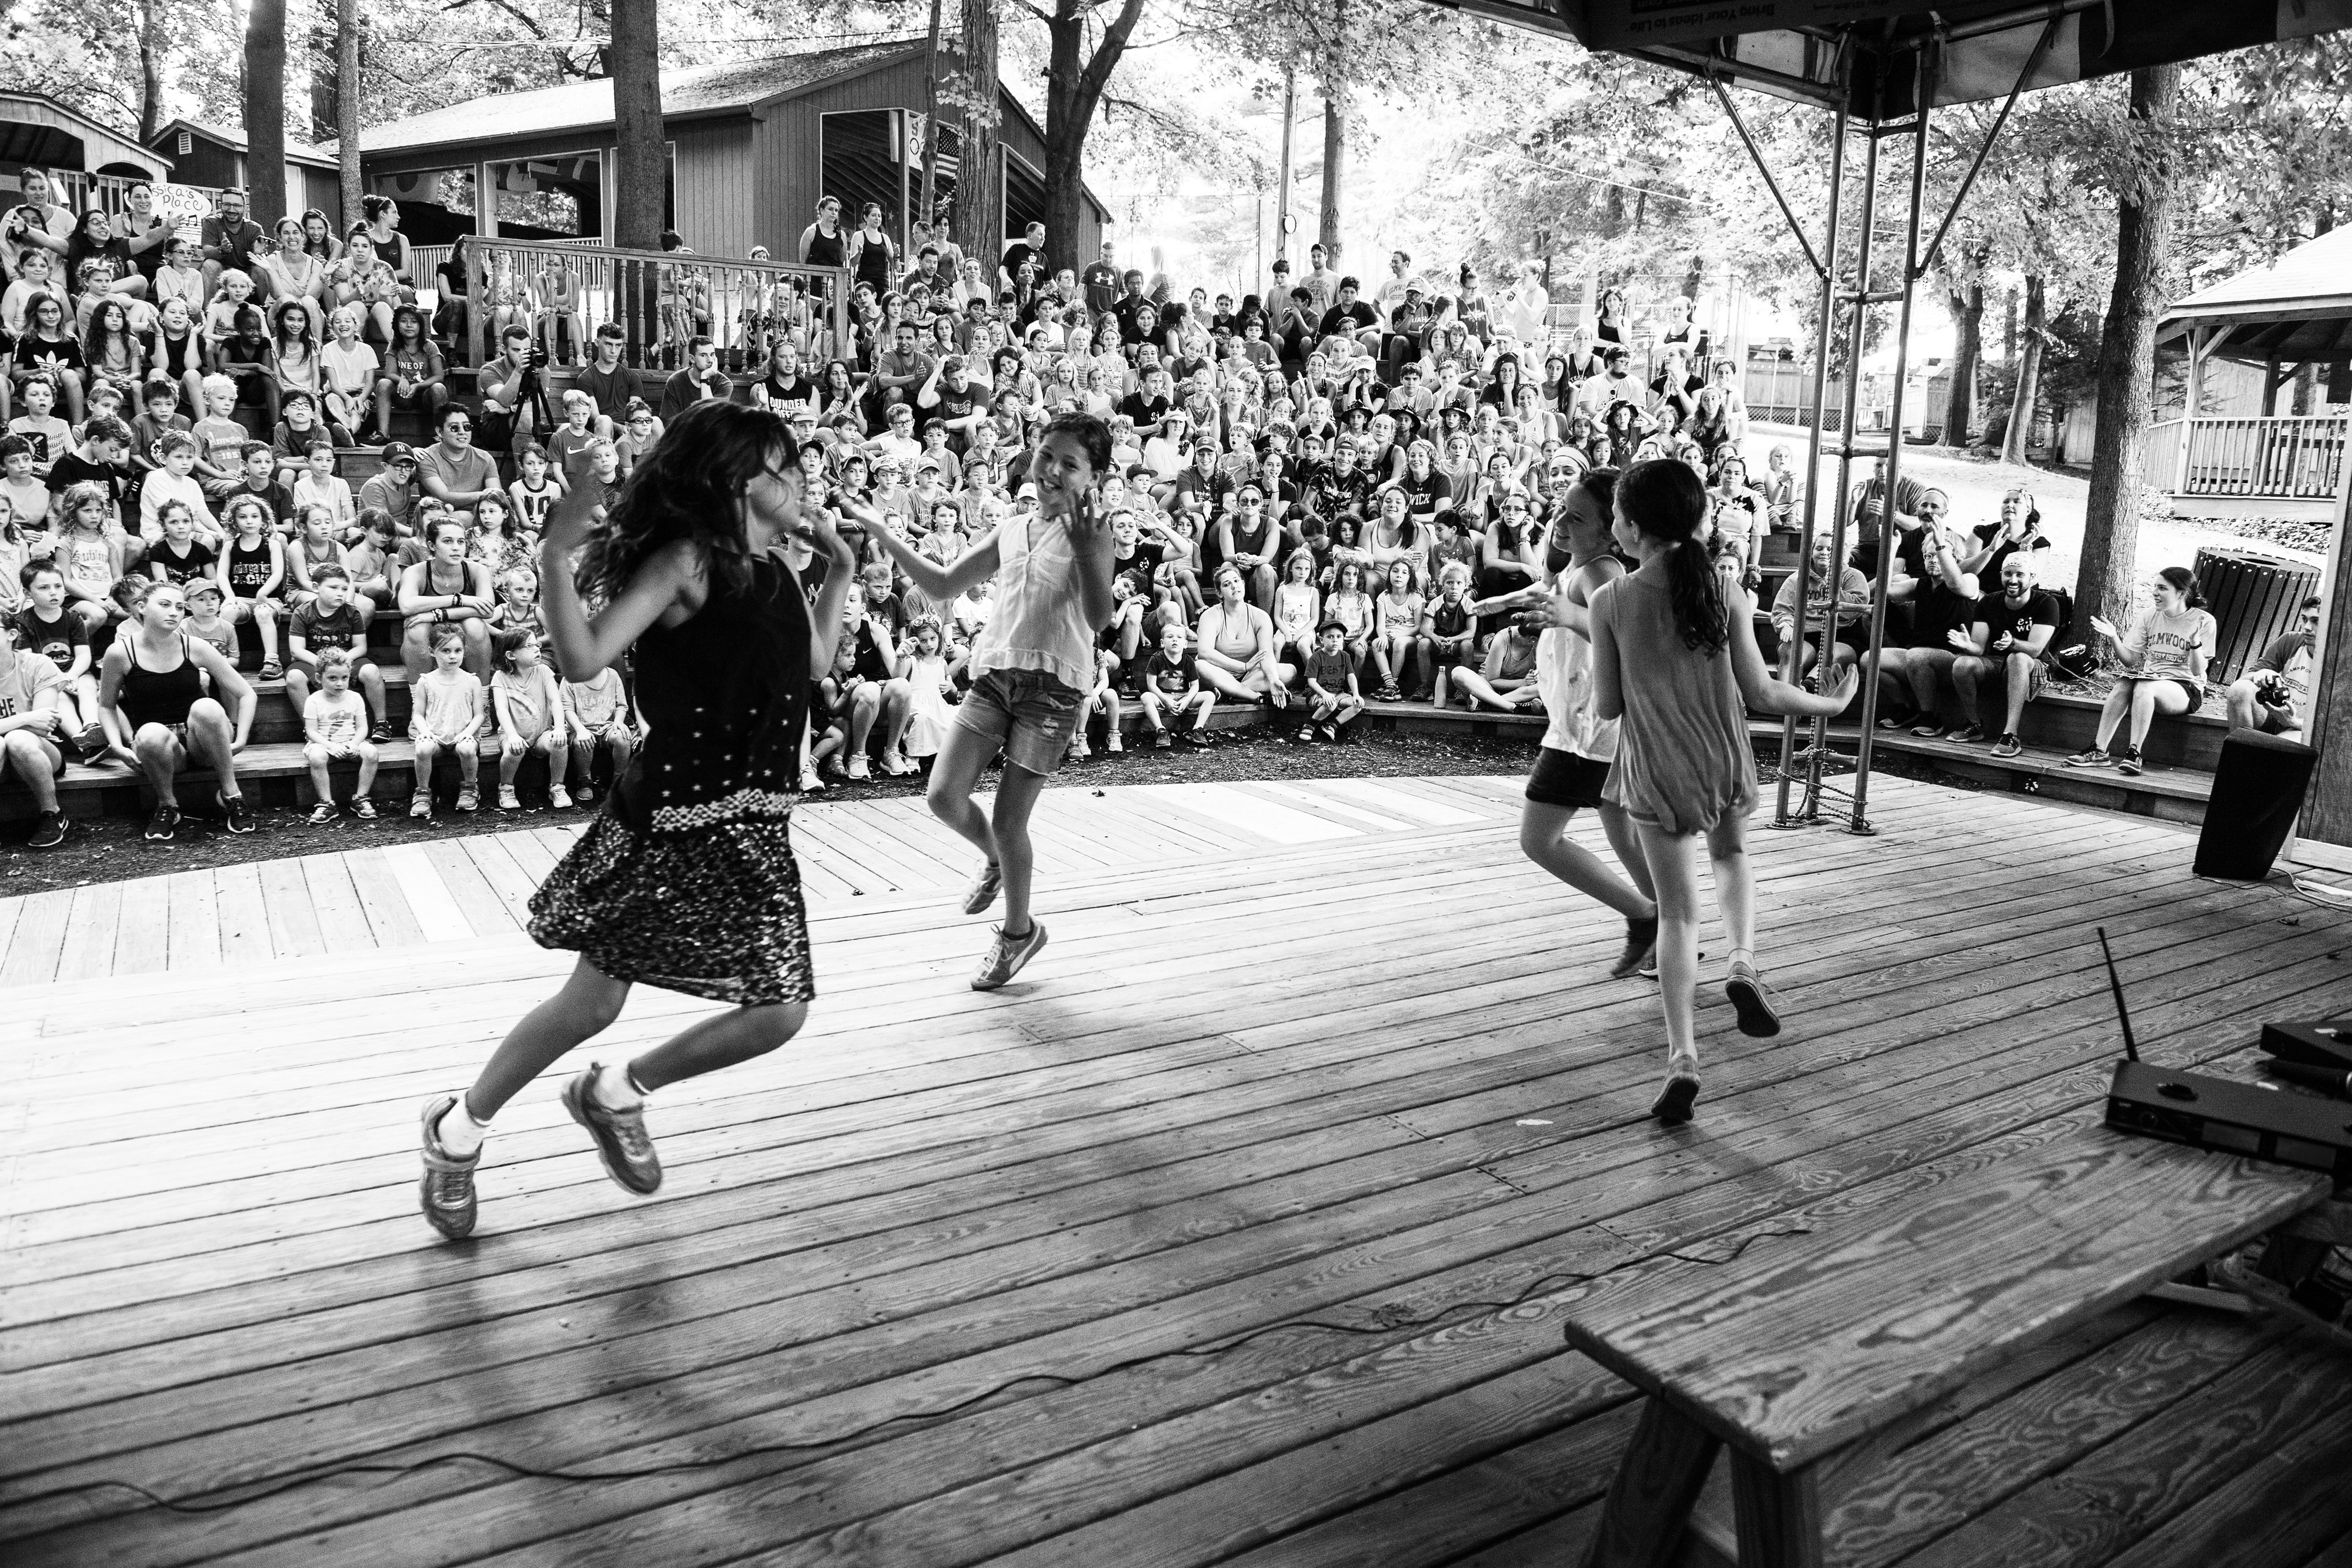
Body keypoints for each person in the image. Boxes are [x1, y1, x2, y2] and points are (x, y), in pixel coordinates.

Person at [417, 400, 858, 1241]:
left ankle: (615, 1090)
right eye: (783, 467)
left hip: (755, 824)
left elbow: (813, 661)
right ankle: (457, 1129)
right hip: (668, 819)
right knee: (591, 1004)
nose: (801, 480)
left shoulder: (778, 570)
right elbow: (582, 656)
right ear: (735, 480)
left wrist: (836, 568)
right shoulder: (688, 560)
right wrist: (555, 551)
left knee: (778, 1010)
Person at [1587, 460, 1855, 1124]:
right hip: (1722, 758)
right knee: (1731, 858)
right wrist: (1832, 704)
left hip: (1655, 770)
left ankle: (1682, 1057)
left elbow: (1610, 706)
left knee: (1678, 917)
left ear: (1630, 525)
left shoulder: (1610, 601)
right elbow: (1762, 693)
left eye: (1618, 513)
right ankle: (1741, 962)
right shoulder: (1725, 588)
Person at [846, 411, 1117, 989]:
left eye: (1070, 465)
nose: (1051, 470)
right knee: (943, 796)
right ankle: (996, 858)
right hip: (995, 676)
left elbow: (1099, 618)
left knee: (1009, 817)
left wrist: (1090, 551)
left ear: (1093, 478)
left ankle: (1018, 935)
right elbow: (944, 585)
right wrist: (887, 534)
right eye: (1047, 455)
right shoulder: (1012, 527)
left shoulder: (1095, 534)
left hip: (1052, 690)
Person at [1473, 467, 1662, 979]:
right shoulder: (1579, 566)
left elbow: (1631, 643)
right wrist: (1500, 602)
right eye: (1560, 508)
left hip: (1584, 732)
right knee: (1621, 830)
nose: (1560, 521)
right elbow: (1549, 592)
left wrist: (1567, 616)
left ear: (1611, 531)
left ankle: (1647, 918)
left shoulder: (1602, 572)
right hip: (1590, 725)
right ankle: (1674, 935)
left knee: (1540, 840)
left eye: (1576, 517)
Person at [95, 579, 259, 841]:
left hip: (203, 741)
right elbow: (106, 706)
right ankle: (167, 806)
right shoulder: (120, 652)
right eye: (165, 605)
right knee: (149, 733)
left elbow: (246, 693)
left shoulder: (194, 646)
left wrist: (241, 739)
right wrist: (117, 746)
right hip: (164, 748)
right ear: (142, 607)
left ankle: (231, 795)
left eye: (180, 607)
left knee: (206, 706)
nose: (174, 612)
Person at [2066, 566, 2219, 777]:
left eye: (2162, 588)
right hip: (2151, 681)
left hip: (2185, 689)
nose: (2155, 592)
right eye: (2155, 587)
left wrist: (2194, 643)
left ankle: (2134, 754)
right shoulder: (2149, 616)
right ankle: (2099, 751)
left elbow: (2197, 670)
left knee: (2145, 687)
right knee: (2124, 683)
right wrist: (2114, 637)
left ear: (2182, 593)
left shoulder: (2204, 621)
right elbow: (2129, 660)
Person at [1948, 553, 2057, 755]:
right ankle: (1974, 724)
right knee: (1962, 664)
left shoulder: (2047, 603)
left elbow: (2035, 649)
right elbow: (1979, 649)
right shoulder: (1989, 602)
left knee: (2017, 657)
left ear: (2032, 578)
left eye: (2020, 575)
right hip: (1997, 662)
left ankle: (2011, 734)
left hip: (2033, 666)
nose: (2013, 580)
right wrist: (1967, 645)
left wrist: (2013, 643)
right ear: (2001, 575)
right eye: (2008, 574)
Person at [407, 622, 485, 816]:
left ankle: (470, 787)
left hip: (464, 736)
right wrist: (425, 732)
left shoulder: (472, 681)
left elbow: (479, 715)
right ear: (432, 651)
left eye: (458, 650)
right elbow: (418, 714)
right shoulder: (425, 681)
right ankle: (423, 792)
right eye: (446, 651)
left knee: (466, 749)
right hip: (436, 737)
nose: (452, 656)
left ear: (464, 651)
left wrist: (468, 733)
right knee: (422, 749)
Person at [489, 626, 570, 810]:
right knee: (513, 750)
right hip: (512, 734)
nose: (537, 650)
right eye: (529, 646)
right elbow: (501, 709)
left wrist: (559, 727)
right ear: (511, 655)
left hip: (542, 733)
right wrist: (512, 735)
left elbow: (556, 701)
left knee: (560, 742)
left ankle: (557, 785)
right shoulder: (501, 678)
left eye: (537, 645)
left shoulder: (543, 671)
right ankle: (506, 786)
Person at [300, 646, 380, 820]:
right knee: (317, 758)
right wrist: (330, 746)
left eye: (344, 678)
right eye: (332, 678)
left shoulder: (355, 698)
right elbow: (311, 731)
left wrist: (354, 743)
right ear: (319, 678)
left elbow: (362, 728)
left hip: (351, 742)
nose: (339, 683)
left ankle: (361, 798)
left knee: (372, 753)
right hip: (324, 745)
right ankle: (327, 803)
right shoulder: (314, 701)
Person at [2228, 594, 2320, 739]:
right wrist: (2262, 673)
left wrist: (2293, 722)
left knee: (2282, 743)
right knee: (2239, 690)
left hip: (2305, 728)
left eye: (2316, 621)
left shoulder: (2342, 663)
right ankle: (2239, 754)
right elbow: (2243, 680)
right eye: (2304, 619)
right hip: (2274, 717)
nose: (2307, 627)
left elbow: (2339, 725)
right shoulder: (2291, 641)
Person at [1298, 618, 1364, 742]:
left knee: (1358, 705)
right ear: (1322, 640)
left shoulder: (1345, 656)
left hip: (1338, 694)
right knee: (1331, 704)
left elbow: (1351, 676)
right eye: (1330, 637)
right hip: (1318, 694)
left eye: (1339, 637)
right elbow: (1311, 682)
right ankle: (1311, 725)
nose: (1335, 640)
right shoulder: (1316, 657)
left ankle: (1332, 726)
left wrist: (1356, 694)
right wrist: (1324, 694)